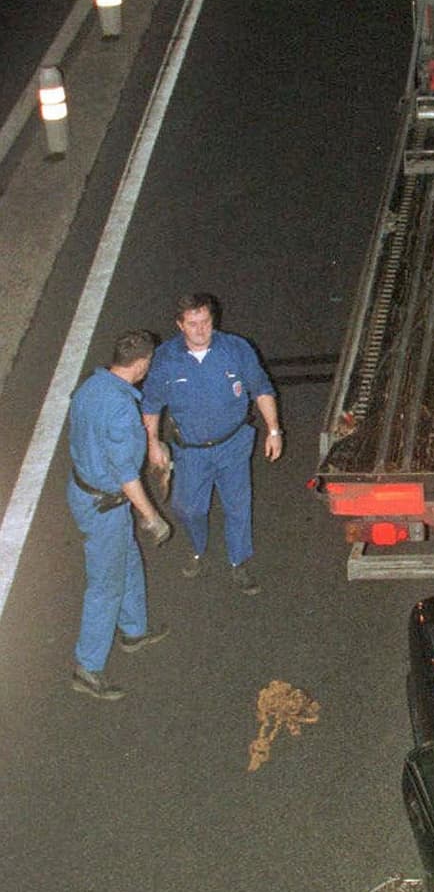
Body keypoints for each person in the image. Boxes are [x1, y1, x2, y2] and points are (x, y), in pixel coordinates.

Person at [141, 292, 281, 594]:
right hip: (190, 451)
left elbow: (261, 388)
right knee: (188, 508)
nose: (201, 330)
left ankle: (238, 560)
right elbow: (151, 405)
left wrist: (273, 430)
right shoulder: (166, 359)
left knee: (237, 505)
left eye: (206, 322)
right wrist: (152, 443)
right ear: (180, 325)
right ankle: (197, 548)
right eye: (193, 324)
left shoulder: (236, 349)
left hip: (232, 444)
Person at [68, 331, 172, 700]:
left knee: (126, 558)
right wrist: (153, 518)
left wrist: (151, 443)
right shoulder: (122, 409)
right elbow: (127, 476)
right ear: (142, 365)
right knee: (105, 585)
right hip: (105, 505)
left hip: (83, 488)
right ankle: (88, 666)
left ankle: (134, 629)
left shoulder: (89, 388)